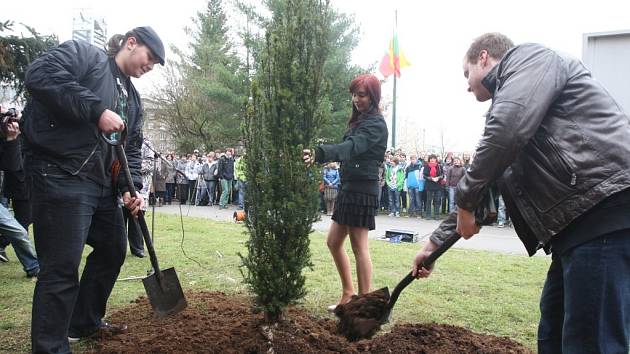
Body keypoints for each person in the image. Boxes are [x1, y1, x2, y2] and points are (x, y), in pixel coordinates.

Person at [413, 32, 630, 354]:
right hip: (575, 228)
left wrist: (464, 202)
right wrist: (434, 243)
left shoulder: (532, 60)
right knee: (552, 337)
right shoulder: (513, 104)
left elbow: (505, 132)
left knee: (591, 342)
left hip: (603, 212)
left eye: (466, 73)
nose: (466, 84)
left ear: (483, 57)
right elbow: (489, 177)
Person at [23, 26, 164, 353]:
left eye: (156, 64)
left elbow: (130, 149)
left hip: (100, 186)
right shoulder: (85, 57)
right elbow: (39, 74)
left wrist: (132, 189)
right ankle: (50, 347)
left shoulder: (133, 98)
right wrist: (96, 110)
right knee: (61, 265)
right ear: (131, 43)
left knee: (113, 248)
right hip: (60, 172)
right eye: (150, 57)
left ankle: (82, 322)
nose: (150, 66)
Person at [303, 73, 388, 312]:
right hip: (349, 187)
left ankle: (364, 305)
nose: (355, 99)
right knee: (333, 242)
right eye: (354, 94)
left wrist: (321, 153)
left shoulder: (376, 125)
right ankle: (348, 294)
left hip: (363, 189)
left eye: (361, 95)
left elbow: (351, 148)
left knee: (359, 247)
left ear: (372, 96)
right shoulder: (358, 122)